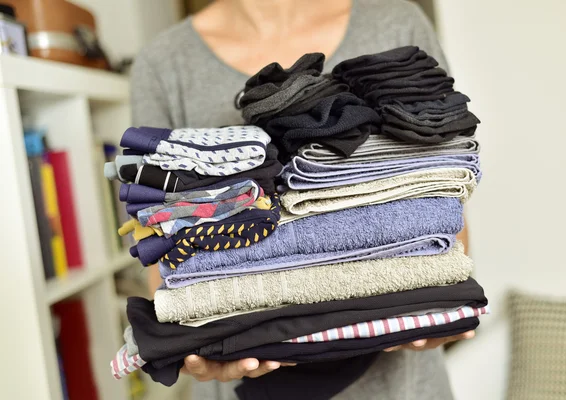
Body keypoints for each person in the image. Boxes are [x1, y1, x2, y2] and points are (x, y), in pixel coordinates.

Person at [131, 0, 473, 398]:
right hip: (244, 378)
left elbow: (446, 214)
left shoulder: (398, 23)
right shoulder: (162, 63)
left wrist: (442, 305)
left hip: (406, 387)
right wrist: (191, 341)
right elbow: (162, 263)